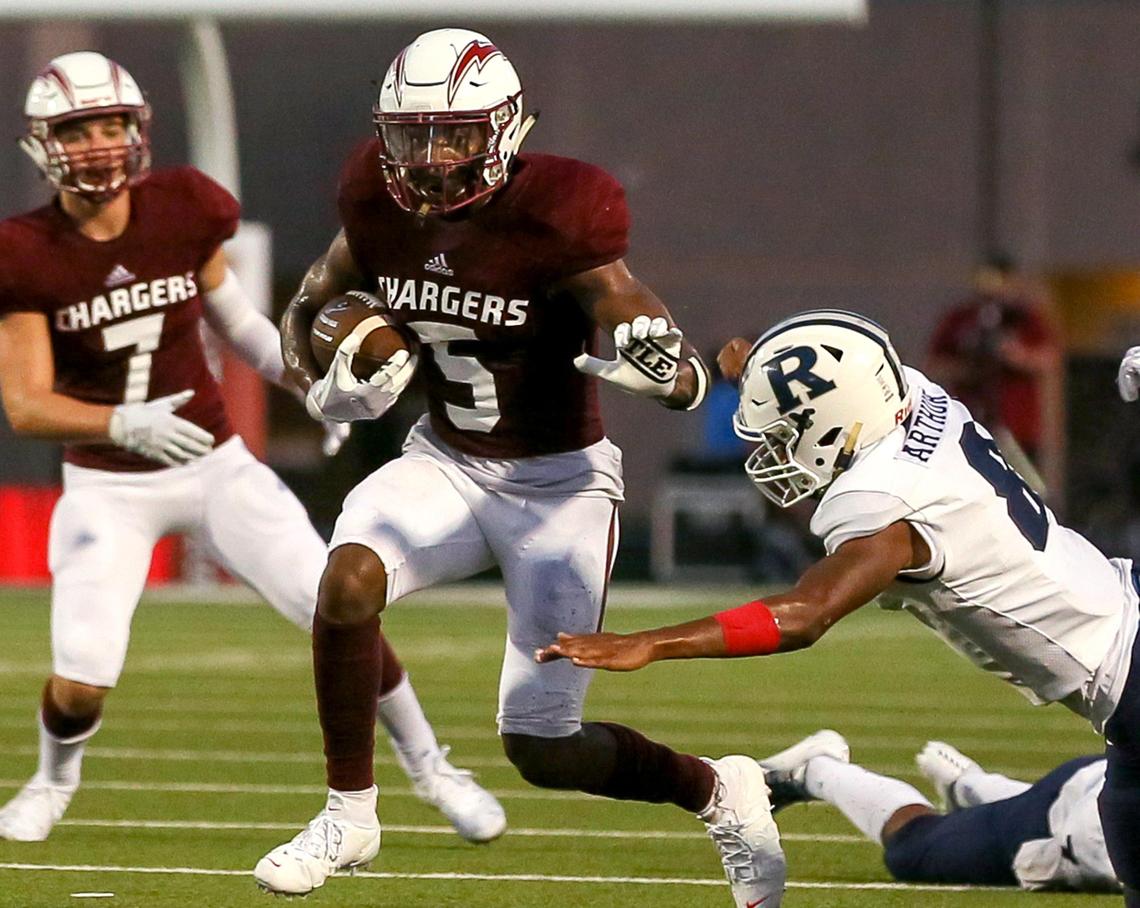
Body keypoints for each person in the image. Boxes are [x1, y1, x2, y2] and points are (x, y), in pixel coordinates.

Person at [254, 28, 786, 908]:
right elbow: (312, 298)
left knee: (542, 748)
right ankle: (349, 814)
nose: (428, 158)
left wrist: (671, 367)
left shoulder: (560, 208)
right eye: (410, 133)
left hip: (559, 487)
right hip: (450, 462)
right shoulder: (374, 196)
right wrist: (320, 390)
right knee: (346, 581)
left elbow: (626, 301)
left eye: (453, 134)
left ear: (502, 130)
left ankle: (719, 789)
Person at [0, 51, 502, 846]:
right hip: (107, 483)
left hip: (214, 462)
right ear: (44, 142)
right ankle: (53, 780)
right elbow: (25, 405)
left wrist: (308, 386)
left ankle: (433, 767)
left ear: (138, 130)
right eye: (77, 127)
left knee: (338, 612)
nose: (97, 143)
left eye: (109, 124)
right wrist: (119, 426)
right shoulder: (25, 251)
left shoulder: (183, 208)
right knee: (81, 679)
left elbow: (236, 325)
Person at [538, 308, 1140, 906]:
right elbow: (814, 373)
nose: (778, 451)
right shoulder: (909, 393)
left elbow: (802, 614)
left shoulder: (882, 501)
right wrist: (714, 377)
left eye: (784, 435)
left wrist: (651, 642)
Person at [758, 729, 1119, 893]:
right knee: (912, 848)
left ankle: (969, 787)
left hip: (1094, 783)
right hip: (1070, 821)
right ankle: (818, 771)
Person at [925, 255, 1064, 498]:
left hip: (1017, 428)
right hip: (969, 422)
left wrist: (1015, 355)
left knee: (1026, 491)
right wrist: (969, 367)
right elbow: (934, 363)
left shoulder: (1025, 318)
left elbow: (1049, 358)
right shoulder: (961, 319)